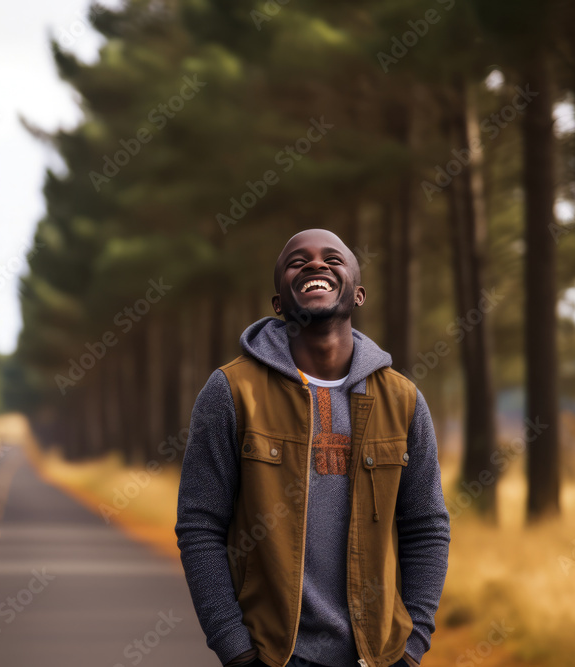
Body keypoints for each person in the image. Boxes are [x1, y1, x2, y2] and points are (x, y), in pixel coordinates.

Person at [175, 229, 450, 667]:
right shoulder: (231, 391)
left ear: (358, 294)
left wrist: (412, 644)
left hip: (377, 654)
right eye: (296, 260)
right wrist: (234, 647)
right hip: (273, 654)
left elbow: (426, 526)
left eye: (333, 259)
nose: (315, 265)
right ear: (278, 303)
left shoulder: (403, 401)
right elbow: (199, 525)